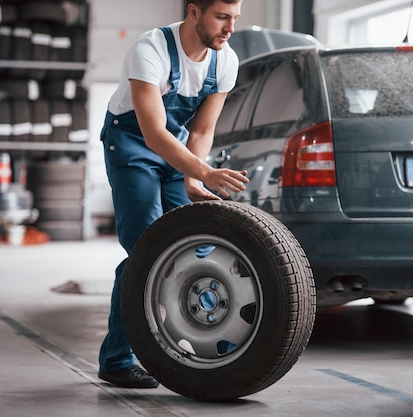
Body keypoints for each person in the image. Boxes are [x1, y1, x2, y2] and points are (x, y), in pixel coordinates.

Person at [98, 0, 248, 389]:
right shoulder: (151, 49)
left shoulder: (225, 61)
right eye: (221, 17)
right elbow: (151, 133)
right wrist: (204, 171)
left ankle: (169, 341)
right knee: (146, 248)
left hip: (176, 147)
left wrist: (194, 179)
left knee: (184, 246)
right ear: (194, 12)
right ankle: (117, 359)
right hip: (132, 143)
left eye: (235, 18)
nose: (229, 27)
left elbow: (200, 131)